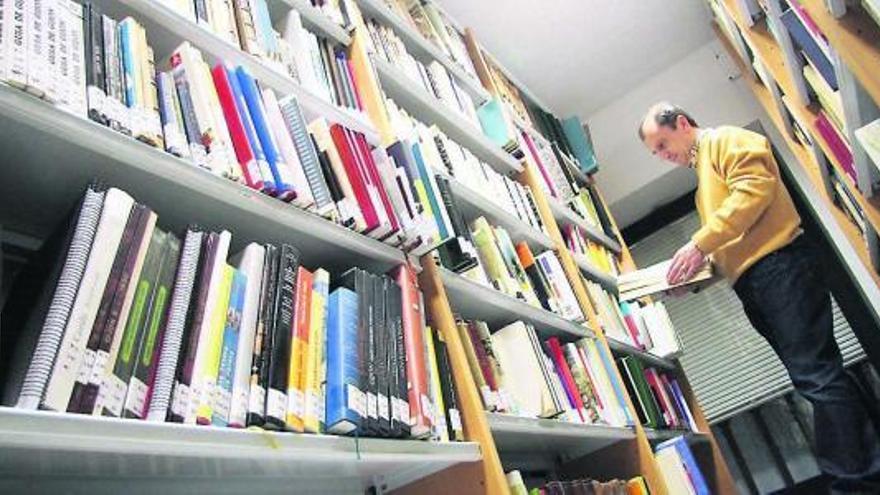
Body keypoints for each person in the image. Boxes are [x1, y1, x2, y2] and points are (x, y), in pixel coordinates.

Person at [638, 102, 880, 493]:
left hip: (779, 268)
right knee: (817, 377)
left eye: (664, 144)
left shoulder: (727, 139)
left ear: (683, 123)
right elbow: (730, 244)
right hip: (759, 279)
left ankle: (855, 484)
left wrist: (699, 244)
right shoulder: (704, 186)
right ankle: (864, 473)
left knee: (817, 377)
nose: (665, 157)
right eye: (657, 153)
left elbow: (755, 190)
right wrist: (693, 280)